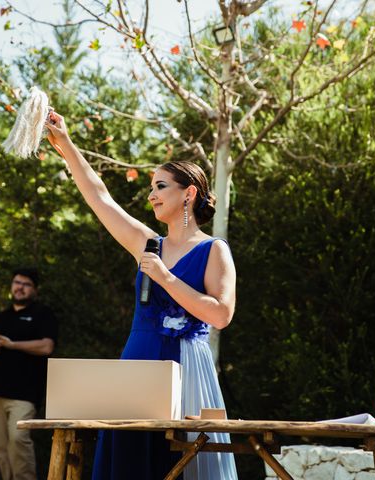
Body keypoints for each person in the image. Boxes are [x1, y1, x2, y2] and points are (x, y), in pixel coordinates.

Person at [44, 111, 238, 480]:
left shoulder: (214, 250)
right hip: (137, 358)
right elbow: (101, 198)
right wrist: (66, 145)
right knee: (128, 455)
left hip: (187, 368)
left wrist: (165, 277)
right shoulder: (148, 243)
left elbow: (221, 315)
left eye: (161, 186)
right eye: (151, 186)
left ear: (189, 193)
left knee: (178, 459)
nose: (151, 195)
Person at [0, 267, 58, 480]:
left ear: (35, 290)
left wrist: (13, 345)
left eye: (26, 284)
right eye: (16, 282)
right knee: (0, 447)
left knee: (18, 439)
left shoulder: (43, 314)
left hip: (25, 393)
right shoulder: (1, 317)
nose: (19, 287)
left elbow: (47, 347)